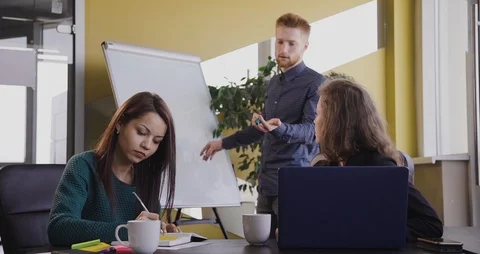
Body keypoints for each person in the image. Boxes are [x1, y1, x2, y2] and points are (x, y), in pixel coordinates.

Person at [200, 13, 326, 236]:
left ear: (305, 46)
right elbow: (262, 130)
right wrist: (223, 144)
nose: (283, 49)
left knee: (293, 245)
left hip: (293, 184)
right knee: (261, 245)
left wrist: (280, 128)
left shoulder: (316, 83)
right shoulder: (274, 84)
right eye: (279, 41)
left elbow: (311, 132)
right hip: (266, 182)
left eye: (291, 43)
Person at [312, 78, 443, 241]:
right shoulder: (324, 168)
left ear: (335, 121)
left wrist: (374, 233)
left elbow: (431, 224)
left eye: (318, 114)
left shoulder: (380, 167)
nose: (314, 121)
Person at [48, 92, 181, 246]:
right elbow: (58, 228)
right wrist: (130, 230)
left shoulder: (146, 179)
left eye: (157, 141)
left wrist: (158, 231)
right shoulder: (82, 166)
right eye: (141, 132)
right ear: (119, 123)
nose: (147, 145)